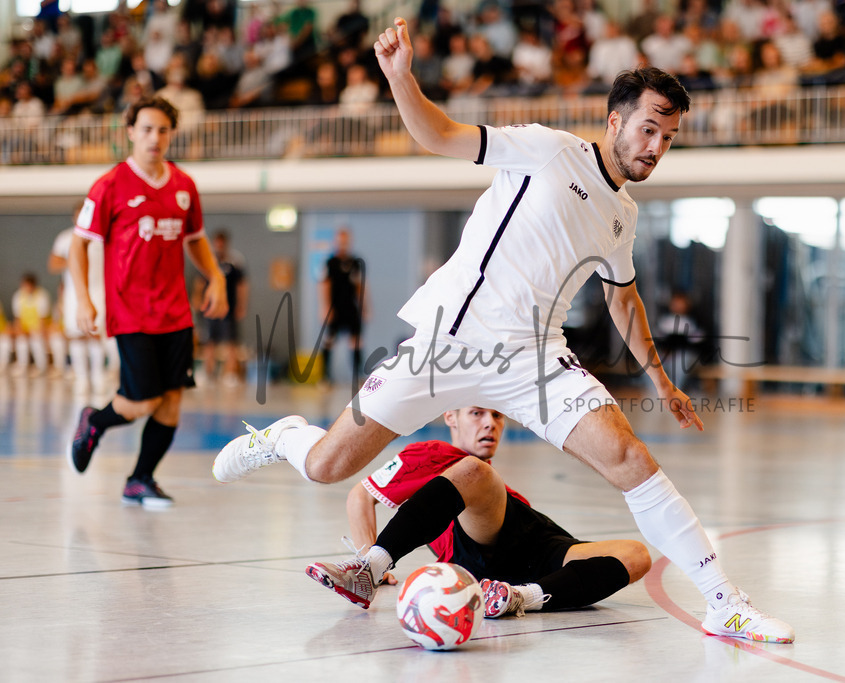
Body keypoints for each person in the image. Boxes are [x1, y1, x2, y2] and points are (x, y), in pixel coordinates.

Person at [214, 18, 794, 644]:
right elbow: (438, 135)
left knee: (631, 458)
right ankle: (283, 437)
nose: (655, 146)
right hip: (449, 340)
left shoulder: (621, 216)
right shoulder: (547, 149)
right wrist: (400, 77)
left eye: (668, 136)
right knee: (328, 465)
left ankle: (722, 602)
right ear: (615, 121)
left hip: (536, 358)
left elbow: (624, 304)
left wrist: (664, 383)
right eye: (648, 128)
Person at [308, 406, 651, 617]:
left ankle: (521, 598)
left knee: (636, 555)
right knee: (476, 471)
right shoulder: (432, 454)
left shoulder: (489, 477)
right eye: (477, 413)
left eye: (497, 415)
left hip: (537, 543)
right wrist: (373, 559)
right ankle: (367, 572)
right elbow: (360, 495)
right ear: (450, 417)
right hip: (478, 548)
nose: (489, 424)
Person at [67, 96, 228, 507]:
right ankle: (94, 421)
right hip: (130, 310)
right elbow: (79, 245)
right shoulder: (109, 186)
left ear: (171, 134)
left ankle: (140, 480)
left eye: (162, 130)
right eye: (146, 129)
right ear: (131, 132)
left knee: (172, 399)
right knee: (143, 401)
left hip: (175, 310)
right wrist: (85, 299)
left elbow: (195, 241)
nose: (154, 138)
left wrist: (216, 278)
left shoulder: (184, 186)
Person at [50, 201, 120, 394]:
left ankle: (98, 374)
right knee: (76, 335)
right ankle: (82, 377)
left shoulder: (104, 236)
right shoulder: (66, 238)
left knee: (96, 334)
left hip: (100, 291)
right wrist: (77, 257)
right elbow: (53, 263)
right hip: (75, 293)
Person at [197, 229, 248, 386]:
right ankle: (208, 374)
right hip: (210, 309)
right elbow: (199, 283)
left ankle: (230, 375)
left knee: (230, 343)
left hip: (228, 309)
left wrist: (241, 305)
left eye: (221, 242)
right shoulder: (208, 260)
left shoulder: (235, 262)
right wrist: (197, 300)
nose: (219, 245)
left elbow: (242, 285)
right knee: (209, 343)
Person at [319, 227, 366, 384]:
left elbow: (360, 286)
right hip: (335, 308)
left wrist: (364, 306)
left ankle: (358, 374)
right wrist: (325, 308)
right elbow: (324, 286)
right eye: (340, 241)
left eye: (346, 241)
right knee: (329, 340)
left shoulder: (355, 263)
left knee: (356, 340)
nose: (343, 244)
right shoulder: (330, 263)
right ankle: (325, 376)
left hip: (351, 307)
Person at [10, 272, 52, 377]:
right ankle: (22, 366)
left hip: (38, 329)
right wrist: (20, 331)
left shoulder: (42, 295)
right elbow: (18, 318)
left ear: (33, 285)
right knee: (21, 341)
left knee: (37, 341)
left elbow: (43, 319)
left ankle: (41, 366)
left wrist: (37, 331)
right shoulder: (18, 296)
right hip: (25, 329)